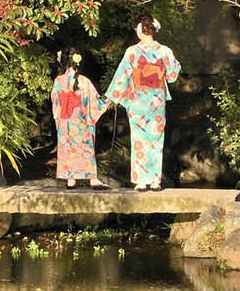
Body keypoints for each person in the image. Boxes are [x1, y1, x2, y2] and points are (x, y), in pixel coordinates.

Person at [107, 15, 182, 191]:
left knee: (139, 139)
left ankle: (141, 181)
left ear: (140, 29)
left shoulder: (132, 52)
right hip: (156, 100)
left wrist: (113, 97)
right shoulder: (165, 51)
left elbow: (121, 76)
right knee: (156, 140)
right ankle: (155, 181)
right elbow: (172, 75)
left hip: (138, 100)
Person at [52, 50, 109, 189]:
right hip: (81, 119)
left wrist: (57, 119)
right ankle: (92, 179)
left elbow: (56, 102)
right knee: (85, 148)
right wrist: (108, 100)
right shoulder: (84, 81)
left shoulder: (59, 81)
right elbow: (95, 101)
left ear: (64, 62)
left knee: (67, 148)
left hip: (65, 120)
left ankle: (71, 180)